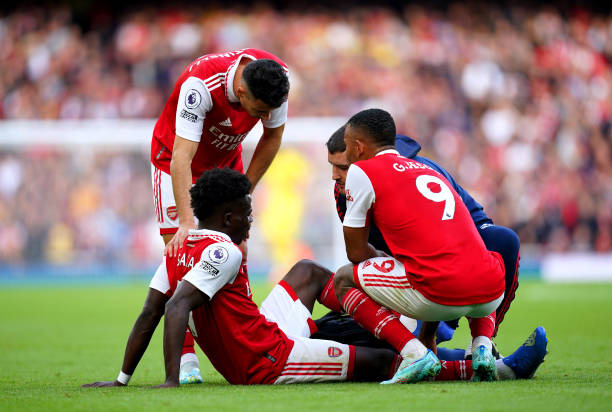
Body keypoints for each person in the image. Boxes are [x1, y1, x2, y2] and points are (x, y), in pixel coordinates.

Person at [81, 168, 547, 388]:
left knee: (309, 272)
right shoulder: (225, 249)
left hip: (258, 332)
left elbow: (151, 311)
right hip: (268, 360)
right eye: (245, 214)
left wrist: (122, 380)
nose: (251, 221)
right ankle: (487, 367)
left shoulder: (178, 251)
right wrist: (169, 382)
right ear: (225, 218)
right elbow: (177, 307)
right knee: (380, 361)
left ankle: (400, 332)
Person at [334, 108, 506, 383]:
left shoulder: (362, 170)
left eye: (347, 146)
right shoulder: (427, 169)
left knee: (343, 279)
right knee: (477, 257)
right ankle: (482, 346)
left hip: (439, 293)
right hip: (491, 292)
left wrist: (379, 257)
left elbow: (355, 252)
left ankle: (413, 353)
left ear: (357, 146)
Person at [150, 48, 290, 382]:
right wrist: (187, 220)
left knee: (236, 252)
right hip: (173, 164)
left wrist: (245, 190)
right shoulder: (200, 86)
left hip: (225, 165)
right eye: (259, 111)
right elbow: (182, 156)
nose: (264, 116)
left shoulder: (276, 80)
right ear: (241, 90)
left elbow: (273, 138)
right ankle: (185, 357)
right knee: (179, 256)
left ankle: (244, 333)